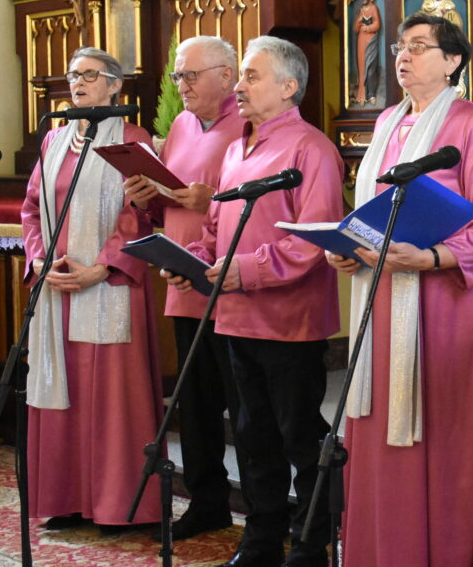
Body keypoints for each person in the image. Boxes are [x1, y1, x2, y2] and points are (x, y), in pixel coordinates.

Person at [326, 13, 473, 566]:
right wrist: (347, 243)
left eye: (419, 47)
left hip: (445, 305)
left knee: (443, 438)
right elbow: (371, 210)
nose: (403, 56)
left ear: (453, 60)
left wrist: (433, 256)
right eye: (399, 46)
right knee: (380, 431)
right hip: (380, 299)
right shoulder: (387, 122)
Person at [169, 35, 344, 567]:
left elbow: (312, 240)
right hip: (234, 319)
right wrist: (192, 261)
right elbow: (219, 225)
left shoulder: (311, 149)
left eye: (251, 76)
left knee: (298, 438)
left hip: (290, 321)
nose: (239, 87)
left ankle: (312, 545)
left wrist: (243, 270)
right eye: (240, 75)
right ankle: (261, 541)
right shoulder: (237, 148)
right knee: (253, 438)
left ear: (289, 87)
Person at [20, 47, 164, 531]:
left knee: (110, 399)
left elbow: (140, 214)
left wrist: (101, 268)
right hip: (57, 285)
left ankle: (117, 505)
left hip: (109, 287)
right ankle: (66, 500)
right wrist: (40, 261)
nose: (76, 82)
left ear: (115, 86)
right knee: (62, 392)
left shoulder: (133, 138)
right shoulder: (54, 141)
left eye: (88, 75)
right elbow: (31, 208)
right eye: (72, 74)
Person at [123, 35, 245, 541]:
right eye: (178, 77)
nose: (182, 85)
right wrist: (145, 198)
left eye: (190, 76)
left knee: (245, 407)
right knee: (193, 408)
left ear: (227, 74)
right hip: (182, 280)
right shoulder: (179, 124)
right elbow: (167, 206)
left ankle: (271, 511)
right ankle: (207, 503)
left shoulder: (250, 122)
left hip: (235, 286)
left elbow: (269, 198)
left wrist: (210, 197)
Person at [352, 0, 382, 106]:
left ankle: (371, 94)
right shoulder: (361, 10)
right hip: (361, 41)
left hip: (370, 40)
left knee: (370, 67)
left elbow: (377, 24)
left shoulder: (373, 8)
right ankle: (362, 95)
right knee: (362, 68)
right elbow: (355, 29)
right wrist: (359, 22)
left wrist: (368, 28)